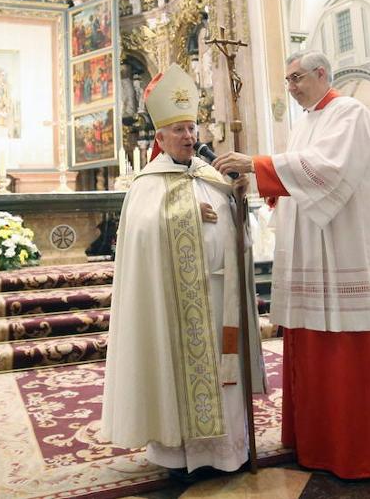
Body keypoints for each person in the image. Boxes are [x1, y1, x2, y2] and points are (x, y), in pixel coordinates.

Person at [212, 51, 370, 479]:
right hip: (309, 255)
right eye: (288, 80)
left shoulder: (349, 113)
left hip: (341, 251)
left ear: (320, 74)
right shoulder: (305, 124)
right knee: (311, 345)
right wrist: (263, 183)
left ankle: (356, 452)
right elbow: (297, 179)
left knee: (343, 352)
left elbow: (329, 173)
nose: (292, 87)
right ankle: (314, 442)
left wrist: (259, 165)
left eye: (296, 78)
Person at [102, 64, 263, 480]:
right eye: (179, 130)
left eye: (192, 128)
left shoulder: (212, 175)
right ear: (159, 138)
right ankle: (180, 455)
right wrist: (187, 218)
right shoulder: (147, 183)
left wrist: (238, 203)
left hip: (219, 296)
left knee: (224, 372)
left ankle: (230, 449)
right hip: (174, 304)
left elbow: (240, 232)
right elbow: (141, 234)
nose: (189, 137)